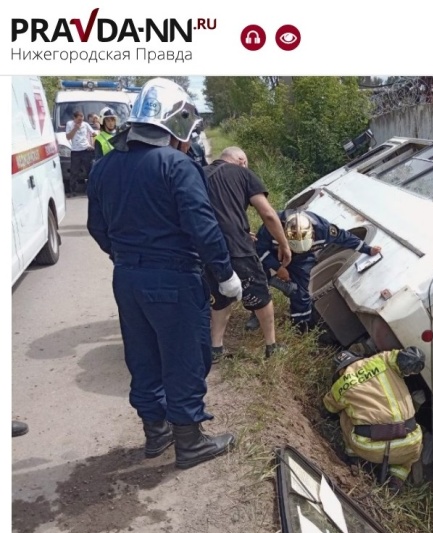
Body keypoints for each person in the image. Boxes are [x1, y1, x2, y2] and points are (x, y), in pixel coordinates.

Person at [87, 77, 238, 470]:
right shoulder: (177, 165)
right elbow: (203, 228)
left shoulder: (104, 167)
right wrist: (224, 274)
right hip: (173, 278)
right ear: (175, 122)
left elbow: (96, 227)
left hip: (127, 278)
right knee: (186, 355)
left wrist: (126, 256)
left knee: (143, 355)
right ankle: (189, 442)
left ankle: (156, 433)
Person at [202, 146, 293, 361]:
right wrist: (284, 244)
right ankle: (271, 346)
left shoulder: (200, 173)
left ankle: (216, 349)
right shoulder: (243, 173)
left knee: (220, 298)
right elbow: (268, 214)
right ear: (241, 160)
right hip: (237, 249)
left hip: (207, 249)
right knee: (260, 296)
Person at [249, 210, 382, 332]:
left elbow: (345, 238)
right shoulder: (271, 227)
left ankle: (300, 326)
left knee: (300, 292)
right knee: (258, 277)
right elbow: (259, 249)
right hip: (273, 252)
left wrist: (368, 249)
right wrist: (278, 268)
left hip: (303, 258)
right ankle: (257, 313)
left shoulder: (324, 229)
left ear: (312, 235)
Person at [322, 347, 426, 492]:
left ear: (339, 371)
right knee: (413, 447)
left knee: (345, 413)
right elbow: (404, 358)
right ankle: (397, 479)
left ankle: (353, 457)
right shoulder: (381, 360)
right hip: (409, 444)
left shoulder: (340, 385)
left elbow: (329, 409)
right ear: (357, 358)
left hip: (369, 448)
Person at [65, 109, 96, 196]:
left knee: (89, 170)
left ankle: (90, 189)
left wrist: (92, 144)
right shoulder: (69, 124)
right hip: (75, 151)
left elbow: (93, 134)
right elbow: (68, 137)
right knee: (74, 172)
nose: (80, 121)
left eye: (82, 119)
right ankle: (73, 190)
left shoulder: (85, 124)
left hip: (86, 150)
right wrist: (75, 128)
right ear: (74, 118)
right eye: (79, 119)